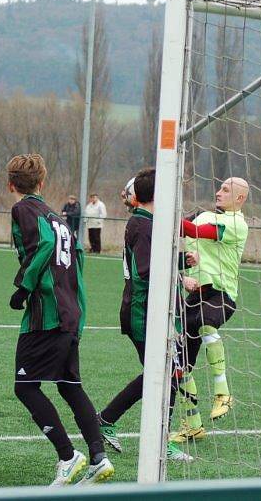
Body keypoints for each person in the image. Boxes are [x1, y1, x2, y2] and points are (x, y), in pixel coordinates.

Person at [7, 153, 114, 485]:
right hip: (70, 312)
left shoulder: (24, 209)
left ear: (10, 184)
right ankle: (98, 457)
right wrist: (79, 312)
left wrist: (23, 288)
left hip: (47, 315)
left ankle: (68, 456)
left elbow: (45, 245)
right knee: (70, 386)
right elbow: (78, 261)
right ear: (43, 182)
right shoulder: (58, 216)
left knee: (25, 387)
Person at [96, 168, 192, 462]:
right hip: (144, 312)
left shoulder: (148, 222)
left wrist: (180, 261)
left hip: (156, 311)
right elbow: (144, 270)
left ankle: (106, 420)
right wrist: (177, 272)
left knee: (167, 374)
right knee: (167, 374)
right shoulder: (142, 225)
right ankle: (157, 440)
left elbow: (152, 261)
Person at [169, 177, 249, 443]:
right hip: (193, 297)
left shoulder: (237, 223)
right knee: (180, 364)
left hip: (221, 295)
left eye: (226, 190)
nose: (218, 192)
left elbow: (197, 231)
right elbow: (183, 228)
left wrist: (164, 218)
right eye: (220, 187)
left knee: (206, 322)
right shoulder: (204, 215)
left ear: (240, 198)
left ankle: (223, 393)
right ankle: (192, 424)